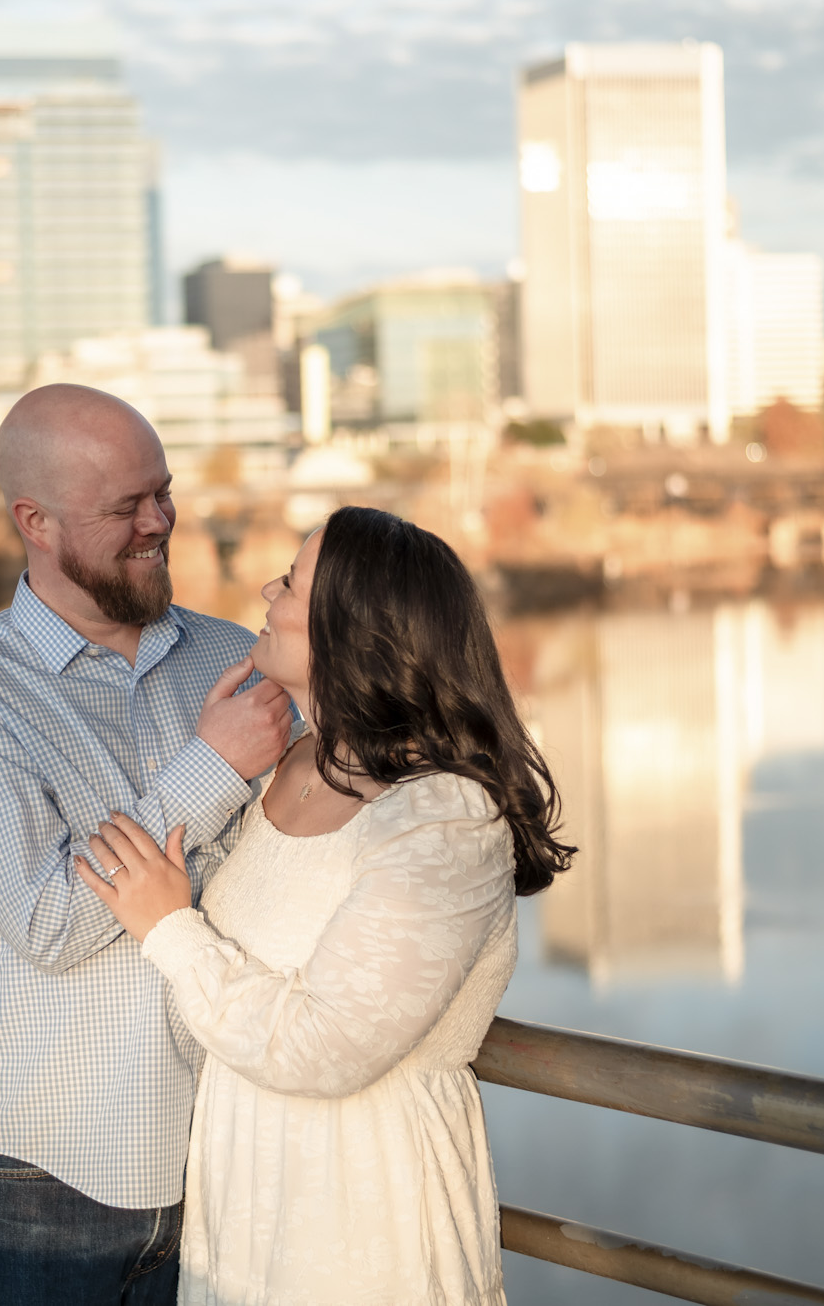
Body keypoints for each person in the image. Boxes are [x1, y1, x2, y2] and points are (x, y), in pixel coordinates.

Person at [79, 505, 574, 1306]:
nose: (267, 589)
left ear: (355, 625)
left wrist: (170, 929)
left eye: (292, 582)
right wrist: (214, 761)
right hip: (241, 1183)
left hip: (362, 1201)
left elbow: (326, 1046)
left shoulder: (445, 814)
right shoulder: (290, 760)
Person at [0, 383, 296, 1305]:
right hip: (48, 1174)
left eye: (162, 491)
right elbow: (47, 920)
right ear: (33, 521)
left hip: (228, 1153)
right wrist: (215, 764)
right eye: (125, 507)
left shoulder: (232, 655)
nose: (159, 521)